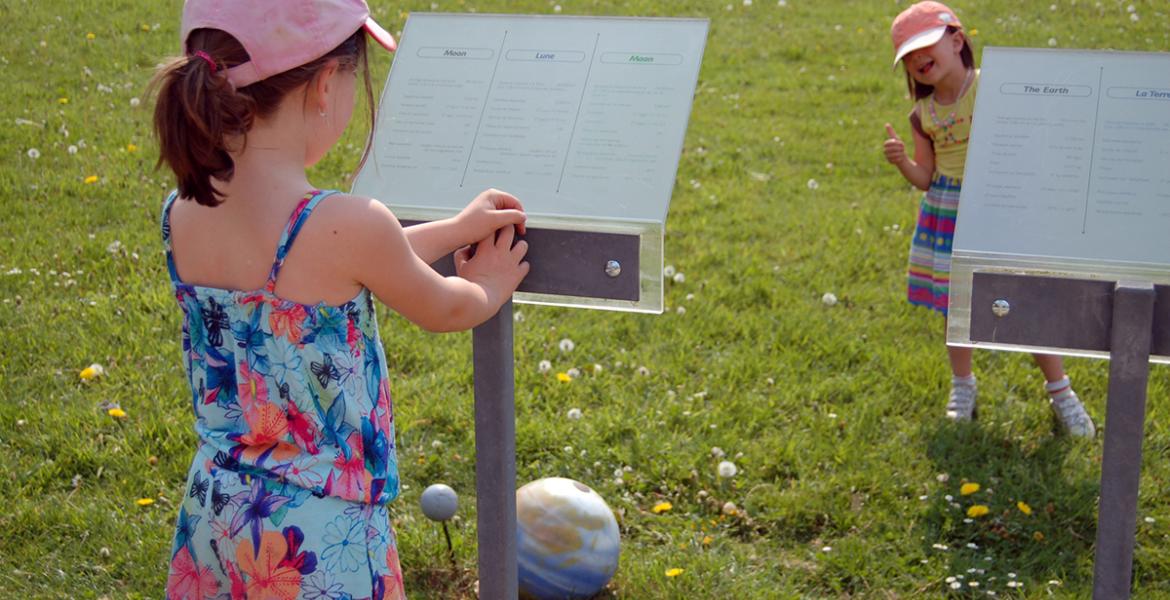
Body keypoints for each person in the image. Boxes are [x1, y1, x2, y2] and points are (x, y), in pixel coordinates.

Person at [150, 1, 530, 597]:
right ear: (326, 84)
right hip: (318, 536)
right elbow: (444, 306)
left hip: (219, 508)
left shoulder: (185, 210)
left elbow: (341, 266)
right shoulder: (347, 226)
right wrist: (491, 282)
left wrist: (454, 228)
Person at [881, 1, 1093, 436]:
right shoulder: (923, 115)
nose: (920, 59)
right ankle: (963, 385)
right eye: (910, 55)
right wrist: (903, 161)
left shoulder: (995, 87)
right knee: (955, 308)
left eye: (927, 46)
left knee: (1025, 300)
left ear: (957, 40)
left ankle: (1061, 392)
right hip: (948, 213)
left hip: (1000, 207)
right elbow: (926, 177)